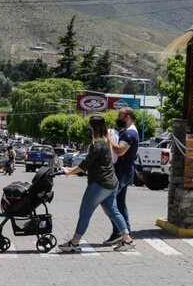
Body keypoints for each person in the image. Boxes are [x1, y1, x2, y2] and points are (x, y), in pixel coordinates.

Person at [58, 115, 135, 253]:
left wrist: (69, 171)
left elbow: (85, 164)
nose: (88, 129)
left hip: (100, 183)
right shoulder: (106, 141)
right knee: (113, 211)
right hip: (112, 183)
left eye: (89, 126)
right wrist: (72, 170)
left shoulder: (97, 143)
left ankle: (74, 243)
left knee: (85, 212)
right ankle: (127, 239)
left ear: (94, 127)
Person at [103, 107, 139, 246]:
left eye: (120, 116)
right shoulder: (126, 132)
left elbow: (119, 151)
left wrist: (108, 138)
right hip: (123, 171)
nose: (118, 118)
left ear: (128, 117)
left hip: (123, 173)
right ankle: (122, 232)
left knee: (108, 201)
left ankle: (122, 233)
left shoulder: (130, 134)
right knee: (120, 203)